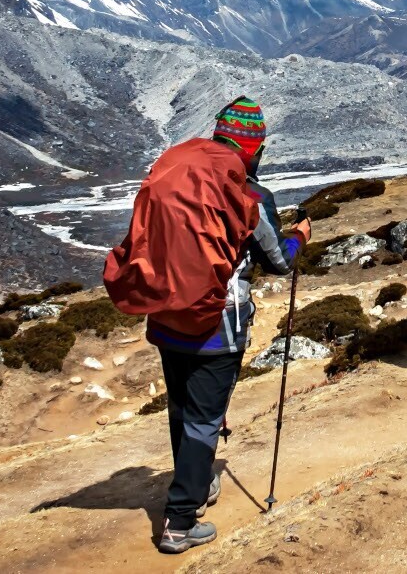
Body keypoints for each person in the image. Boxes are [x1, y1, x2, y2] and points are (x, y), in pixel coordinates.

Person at [103, 97, 311, 555]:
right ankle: (179, 523)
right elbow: (279, 262)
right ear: (255, 149)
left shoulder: (176, 177)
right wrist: (300, 236)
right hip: (219, 325)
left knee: (182, 411)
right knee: (204, 420)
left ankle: (196, 486)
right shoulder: (251, 196)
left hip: (166, 318)